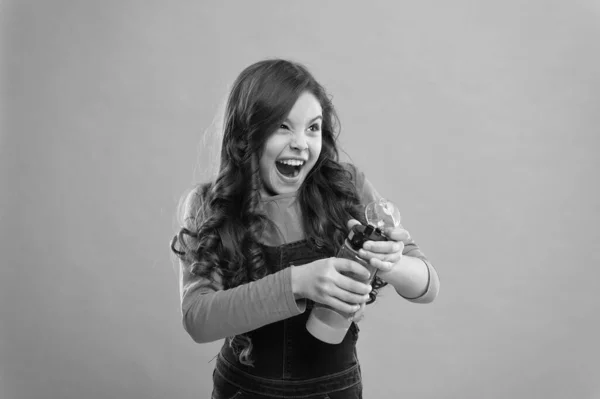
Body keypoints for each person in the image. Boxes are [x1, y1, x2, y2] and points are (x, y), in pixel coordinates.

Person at [171, 59, 439, 399]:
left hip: (333, 391)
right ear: (245, 135)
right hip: (245, 391)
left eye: (312, 128)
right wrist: (300, 282)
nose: (302, 143)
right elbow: (198, 318)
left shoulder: (345, 187)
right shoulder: (208, 205)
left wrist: (391, 261)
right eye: (283, 126)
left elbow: (428, 285)